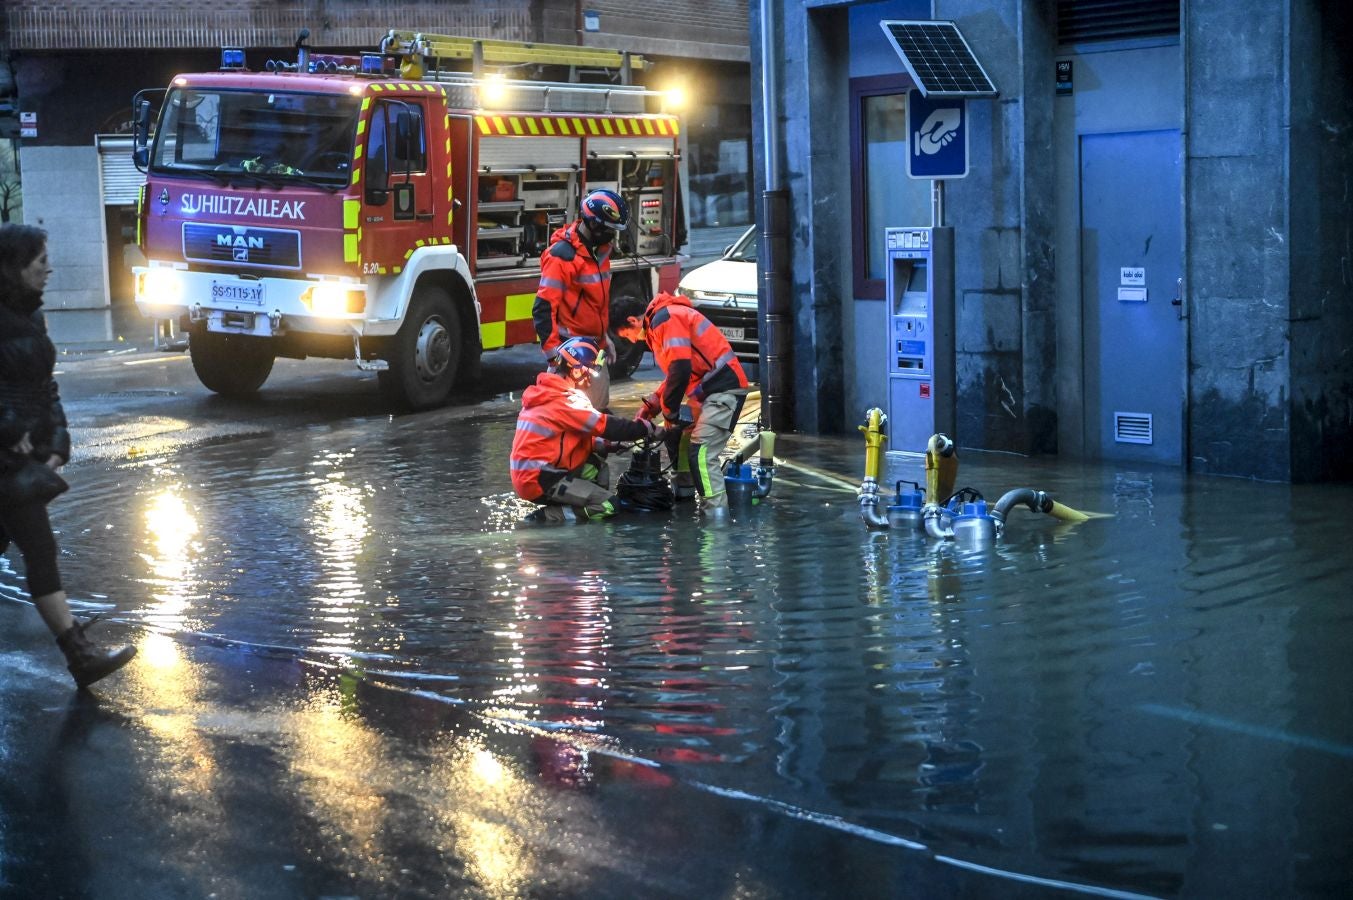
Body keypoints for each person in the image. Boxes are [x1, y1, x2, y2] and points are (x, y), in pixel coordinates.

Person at [0, 223, 137, 688]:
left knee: (24, 546)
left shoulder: (30, 315)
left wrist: (58, 440)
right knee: (40, 548)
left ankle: (80, 655)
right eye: (41, 261)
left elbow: (44, 384)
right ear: (15, 267)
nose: (50, 269)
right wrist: (10, 429)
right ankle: (80, 656)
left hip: (24, 454)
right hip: (5, 457)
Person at [612, 291, 750, 519]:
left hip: (724, 389)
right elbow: (677, 373)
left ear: (632, 321)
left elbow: (681, 369)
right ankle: (684, 501)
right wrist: (655, 404)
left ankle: (716, 519)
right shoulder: (662, 321)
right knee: (678, 437)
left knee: (701, 453)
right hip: (708, 391)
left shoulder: (665, 319)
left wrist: (669, 411)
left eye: (628, 335)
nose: (633, 340)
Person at [510, 337, 664, 523]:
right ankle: (549, 517)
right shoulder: (566, 401)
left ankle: (581, 501)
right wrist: (646, 428)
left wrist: (609, 445)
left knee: (596, 465)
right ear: (576, 370)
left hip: (536, 474)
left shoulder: (544, 393)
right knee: (609, 506)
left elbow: (565, 439)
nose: (590, 378)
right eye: (589, 371)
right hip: (540, 480)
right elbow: (606, 426)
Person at [532, 189, 630, 410]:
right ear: (594, 225)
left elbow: (594, 304)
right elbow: (543, 309)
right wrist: (554, 359)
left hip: (595, 350)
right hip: (572, 356)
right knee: (574, 420)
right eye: (609, 229)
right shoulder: (562, 256)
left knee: (598, 414)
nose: (612, 236)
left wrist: (605, 338)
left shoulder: (599, 253)